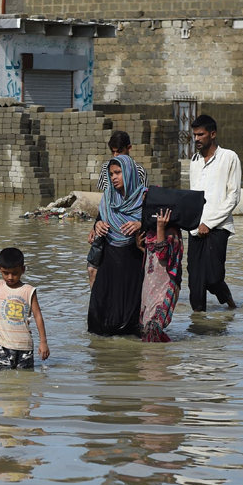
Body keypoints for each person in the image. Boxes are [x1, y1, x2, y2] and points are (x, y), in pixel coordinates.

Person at [88, 155, 146, 336]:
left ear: (128, 173)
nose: (113, 177)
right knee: (101, 307)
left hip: (133, 259)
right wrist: (97, 225)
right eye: (111, 174)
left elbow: (160, 224)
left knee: (130, 308)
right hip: (110, 258)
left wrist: (140, 224)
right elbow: (100, 220)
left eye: (118, 173)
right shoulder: (108, 197)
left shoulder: (145, 197)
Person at [188, 115, 241, 312]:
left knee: (213, 278)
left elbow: (233, 196)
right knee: (195, 283)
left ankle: (230, 304)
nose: (197, 139)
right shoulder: (194, 161)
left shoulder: (229, 157)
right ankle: (199, 327)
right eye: (194, 135)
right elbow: (192, 196)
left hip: (218, 227)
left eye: (200, 134)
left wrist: (208, 223)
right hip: (195, 227)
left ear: (213, 134)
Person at [86, 131, 149, 288]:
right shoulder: (107, 168)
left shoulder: (138, 171)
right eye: (112, 151)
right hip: (108, 227)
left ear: (129, 149)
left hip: (129, 231)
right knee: (93, 268)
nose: (115, 155)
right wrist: (96, 225)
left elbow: (142, 201)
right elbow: (105, 201)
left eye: (119, 151)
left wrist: (140, 223)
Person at [137, 208, 183, 342]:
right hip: (150, 286)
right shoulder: (150, 232)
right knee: (147, 327)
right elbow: (153, 256)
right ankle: (162, 356)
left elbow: (163, 254)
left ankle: (156, 360)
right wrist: (140, 245)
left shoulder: (171, 232)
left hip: (164, 286)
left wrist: (160, 228)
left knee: (154, 326)